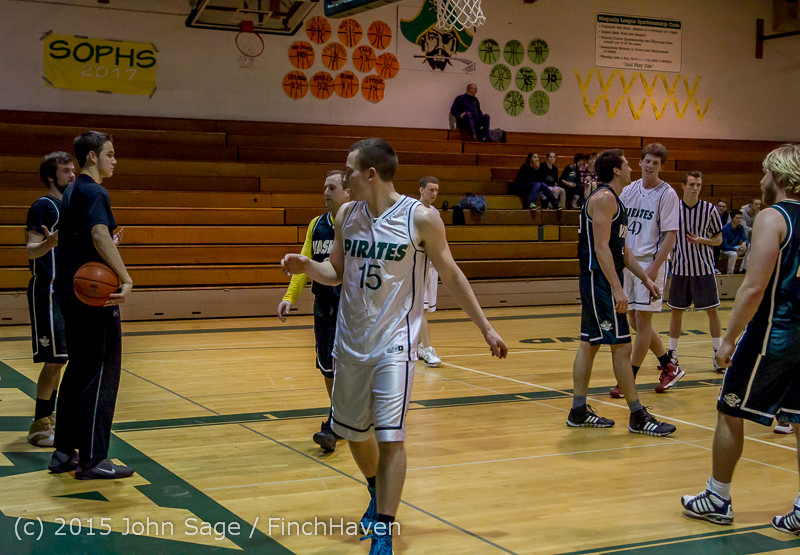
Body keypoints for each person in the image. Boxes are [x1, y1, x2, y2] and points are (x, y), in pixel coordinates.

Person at [281, 138, 507, 554]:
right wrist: (306, 266)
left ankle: (384, 529)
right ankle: (375, 489)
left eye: (350, 170)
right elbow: (334, 272)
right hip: (350, 343)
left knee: (391, 437)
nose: (344, 177)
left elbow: (452, 275)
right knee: (354, 434)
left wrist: (486, 328)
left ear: (370, 175)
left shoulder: (420, 218)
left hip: (394, 345)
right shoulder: (347, 214)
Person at [681, 144, 800, 535]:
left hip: (774, 333)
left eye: (766, 173)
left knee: (730, 408)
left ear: (780, 178)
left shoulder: (772, 216)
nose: (761, 180)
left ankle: (717, 497)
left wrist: (729, 340)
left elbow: (752, 288)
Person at [566, 148, 676, 437]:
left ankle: (578, 410)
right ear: (616, 170)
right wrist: (617, 288)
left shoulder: (615, 200)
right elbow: (601, 248)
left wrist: (646, 280)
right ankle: (638, 415)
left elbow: (621, 249)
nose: (631, 168)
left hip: (599, 281)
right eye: (627, 164)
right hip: (599, 281)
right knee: (622, 346)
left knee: (590, 343)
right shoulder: (604, 199)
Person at [49, 131, 134, 480]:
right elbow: (99, 236)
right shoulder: (96, 191)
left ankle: (64, 451)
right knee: (102, 374)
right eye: (109, 154)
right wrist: (125, 277)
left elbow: (86, 238)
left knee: (78, 371)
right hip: (94, 296)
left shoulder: (70, 191)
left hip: (70, 293)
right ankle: (94, 458)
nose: (114, 160)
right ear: (91, 158)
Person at [277, 170, 350, 452]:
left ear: (347, 193)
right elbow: (304, 262)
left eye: (332, 187)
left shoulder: (356, 226)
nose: (326, 192)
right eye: (324, 187)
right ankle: (339, 414)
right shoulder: (316, 225)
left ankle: (335, 423)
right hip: (323, 305)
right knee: (327, 368)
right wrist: (289, 296)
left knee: (343, 366)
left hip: (348, 307)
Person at [611, 143, 682, 398]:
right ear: (640, 163)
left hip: (651, 263)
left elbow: (670, 235)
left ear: (661, 166)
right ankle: (668, 366)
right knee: (634, 321)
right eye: (647, 161)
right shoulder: (629, 190)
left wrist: (654, 267)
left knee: (642, 323)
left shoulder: (668, 194)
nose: (650, 165)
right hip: (628, 261)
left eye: (655, 162)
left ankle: (628, 378)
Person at [25, 152, 75, 447]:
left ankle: (49, 417)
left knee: (62, 359)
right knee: (54, 359)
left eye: (72, 169)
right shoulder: (43, 207)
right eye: (66, 170)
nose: (72, 174)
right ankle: (39, 423)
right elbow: (31, 250)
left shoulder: (69, 207)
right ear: (50, 176)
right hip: (47, 291)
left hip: (67, 291)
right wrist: (49, 242)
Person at [667, 172, 724, 374]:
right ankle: (672, 355)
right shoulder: (673, 209)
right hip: (680, 269)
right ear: (683, 186)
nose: (695, 188)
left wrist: (703, 240)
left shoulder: (709, 210)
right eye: (691, 184)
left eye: (698, 184)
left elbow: (719, 239)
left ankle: (719, 353)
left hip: (704, 269)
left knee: (713, 311)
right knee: (676, 311)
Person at [417, 176, 442, 367]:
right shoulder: (414, 212)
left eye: (436, 190)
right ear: (421, 190)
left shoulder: (435, 213)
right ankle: (427, 349)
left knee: (422, 310)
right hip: (418, 267)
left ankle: (416, 345)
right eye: (431, 190)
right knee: (421, 310)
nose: (434, 193)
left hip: (431, 267)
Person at [720, 210, 750, 274]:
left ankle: (743, 268)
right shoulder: (725, 228)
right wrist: (734, 249)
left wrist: (744, 243)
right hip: (726, 250)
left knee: (749, 246)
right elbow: (724, 245)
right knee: (734, 254)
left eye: (740, 218)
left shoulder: (740, 227)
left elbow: (745, 238)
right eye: (737, 218)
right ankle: (730, 273)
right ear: (731, 218)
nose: (739, 220)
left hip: (736, 248)